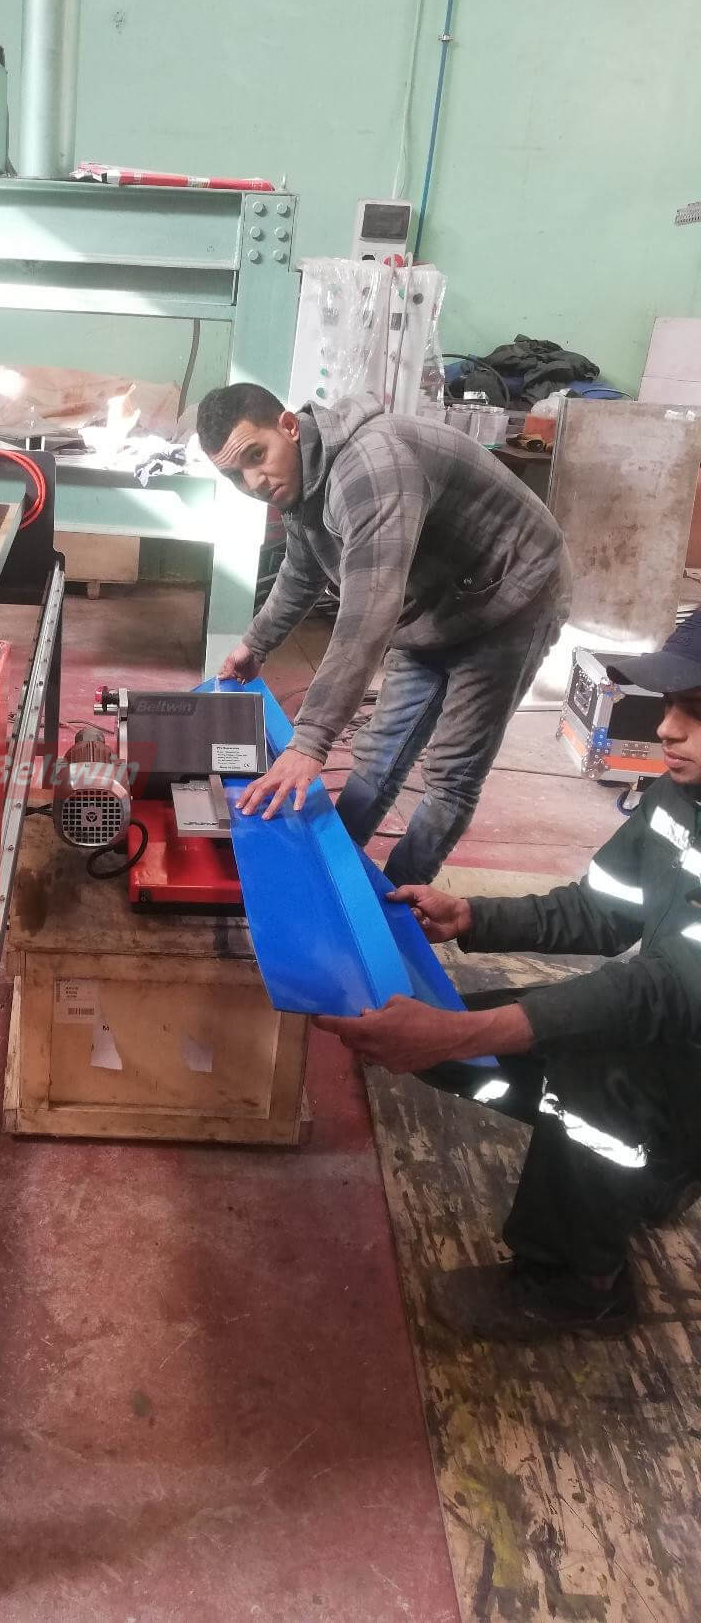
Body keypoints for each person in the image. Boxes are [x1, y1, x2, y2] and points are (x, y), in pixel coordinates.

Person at [315, 610, 701, 1340]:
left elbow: (661, 991)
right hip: (675, 1034)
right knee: (461, 1053)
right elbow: (601, 911)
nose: (667, 729)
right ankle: (658, 1167)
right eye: (672, 704)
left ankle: (578, 1283)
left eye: (696, 711)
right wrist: (471, 916)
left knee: (587, 1075)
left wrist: (460, 1032)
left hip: (683, 1037)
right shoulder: (681, 796)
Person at [197, 382, 572, 885]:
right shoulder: (300, 478)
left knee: (450, 773)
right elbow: (302, 570)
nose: (253, 482)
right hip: (438, 602)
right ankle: (336, 874)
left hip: (512, 597)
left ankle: (400, 903)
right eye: (234, 475)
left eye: (255, 456)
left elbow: (367, 613)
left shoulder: (372, 468)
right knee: (380, 754)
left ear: (288, 426)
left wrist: (309, 741)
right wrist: (255, 643)